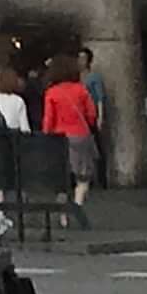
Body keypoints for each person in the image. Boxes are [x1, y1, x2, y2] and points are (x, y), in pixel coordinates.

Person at [39, 55, 100, 223]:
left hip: (59, 139)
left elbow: (48, 120)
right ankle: (78, 205)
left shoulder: (51, 93)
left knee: (61, 178)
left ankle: (63, 215)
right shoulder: (81, 90)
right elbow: (92, 114)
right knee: (83, 176)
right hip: (80, 135)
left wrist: (46, 136)